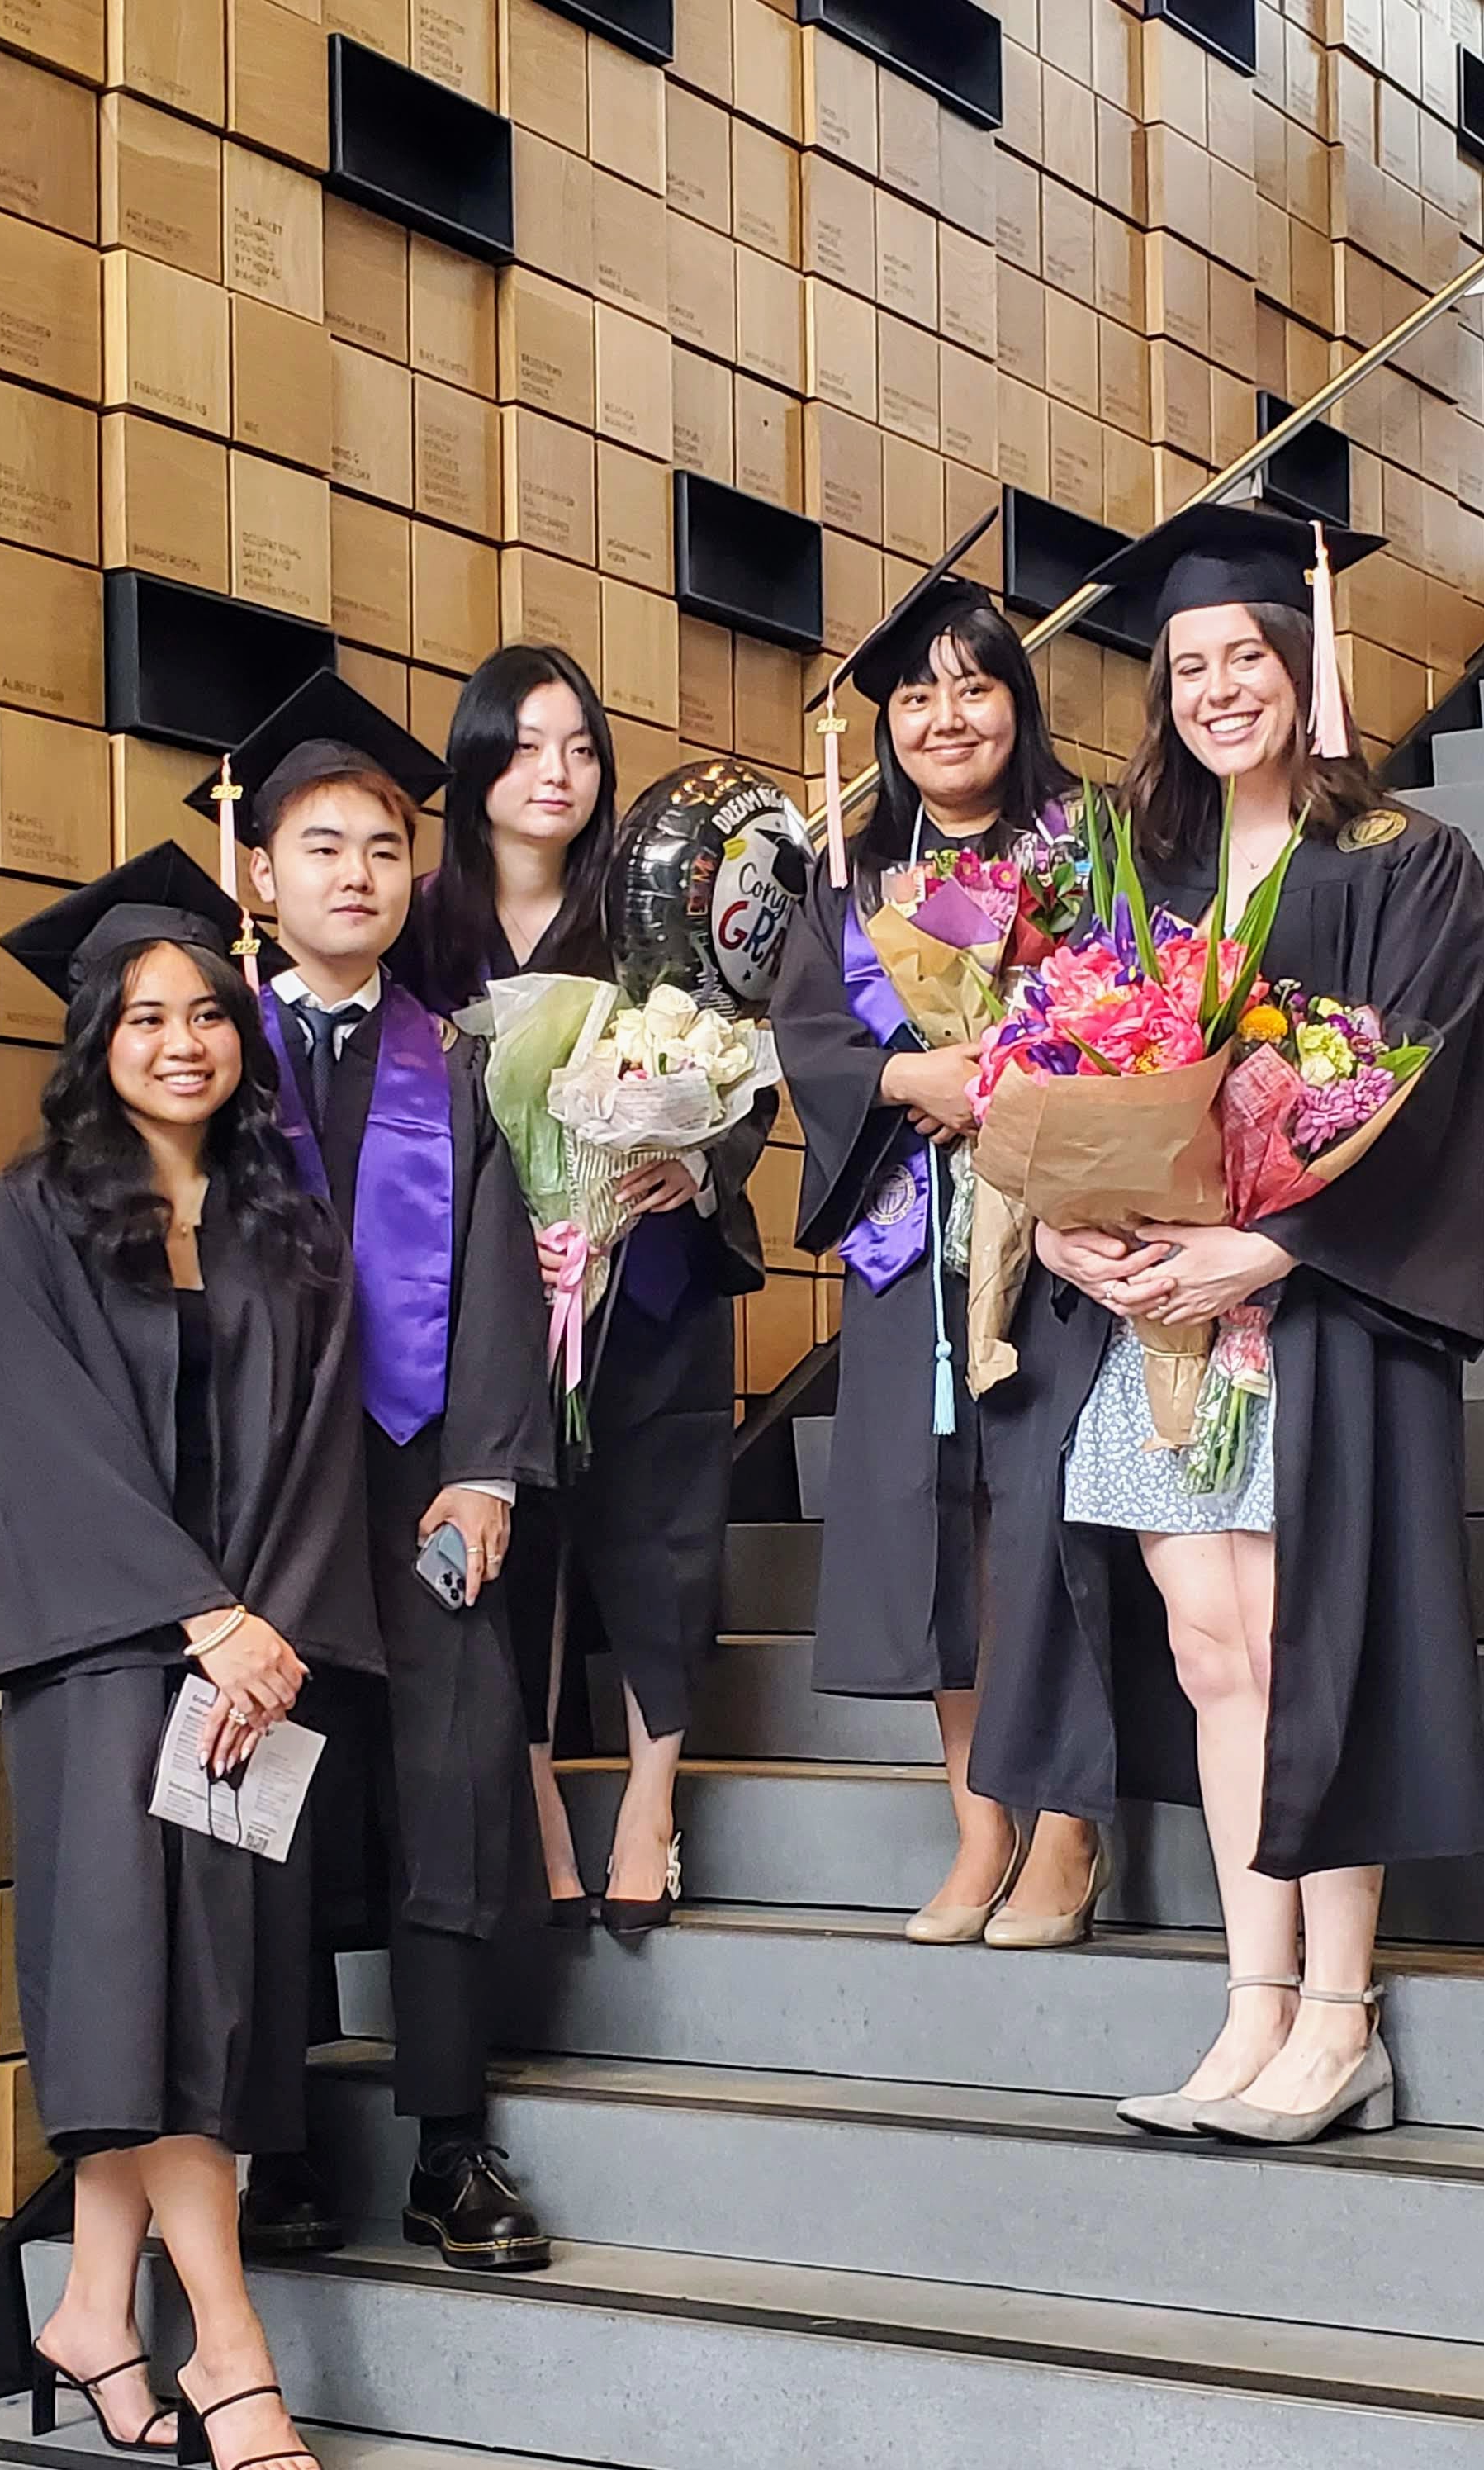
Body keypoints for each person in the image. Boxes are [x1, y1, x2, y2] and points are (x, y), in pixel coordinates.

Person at [973, 505, 1484, 2144]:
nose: (1218, 688)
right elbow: (1046, 1077)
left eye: (1247, 656)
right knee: (1209, 1653)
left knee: (1298, 1644)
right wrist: (1070, 1231)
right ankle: (1249, 2000)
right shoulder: (1129, 874)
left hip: (1313, 1317)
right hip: (1153, 1324)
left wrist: (1260, 1254)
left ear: (1307, 663)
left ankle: (1340, 2013)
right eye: (1188, 664)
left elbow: (1416, 1097)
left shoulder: (1406, 866)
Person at [0, 846, 378, 2470]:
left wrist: (267, 1631)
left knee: (187, 2001)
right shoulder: (21, 1228)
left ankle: (85, 2315)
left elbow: (324, 1452)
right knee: (159, 1999)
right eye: (145, 1017)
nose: (184, 1040)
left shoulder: (286, 1231)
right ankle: (226, 2345)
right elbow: (43, 1446)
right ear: (95, 1043)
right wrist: (203, 1619)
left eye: (210, 1011)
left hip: (251, 1669)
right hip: (108, 1664)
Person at [211, 678, 562, 2278]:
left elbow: (498, 1273)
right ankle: (272, 2145)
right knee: (266, 1802)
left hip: (420, 1482)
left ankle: (450, 2145)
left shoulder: (456, 1063)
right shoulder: (205, 1057)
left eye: (383, 848)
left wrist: (489, 1472)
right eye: (320, 845)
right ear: (260, 875)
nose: (354, 872)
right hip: (266, 1503)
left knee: (448, 1793)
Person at [767, 530, 1104, 1946]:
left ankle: (1068, 1834)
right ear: (886, 724)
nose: (944, 717)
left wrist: (1024, 1073)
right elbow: (811, 1037)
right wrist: (912, 1077)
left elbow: (1143, 1010)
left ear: (1017, 705)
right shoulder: (856, 881)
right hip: (912, 1249)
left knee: (1047, 1527)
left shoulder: (1086, 851)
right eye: (915, 696)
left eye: (972, 688)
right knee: (934, 1532)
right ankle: (975, 1827)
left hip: (1060, 1246)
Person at [401, 644, 768, 1933]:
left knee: (660, 1535)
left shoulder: (648, 905)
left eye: (580, 750)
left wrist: (693, 1164)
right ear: (476, 768)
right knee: (526, 1544)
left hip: (649, 1277)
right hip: (497, 1297)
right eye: (525, 748)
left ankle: (655, 1804)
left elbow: (735, 1061)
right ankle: (545, 1802)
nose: (556, 776)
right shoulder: (422, 928)